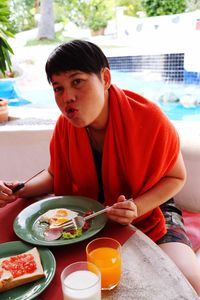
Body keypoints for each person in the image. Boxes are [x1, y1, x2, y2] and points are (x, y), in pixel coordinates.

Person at [0, 40, 200, 294]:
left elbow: (176, 177)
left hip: (153, 208)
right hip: (95, 214)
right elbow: (54, 174)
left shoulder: (149, 119)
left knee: (190, 283)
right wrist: (17, 189)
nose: (67, 97)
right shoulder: (66, 126)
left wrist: (137, 207)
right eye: (58, 88)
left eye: (77, 81)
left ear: (105, 78)